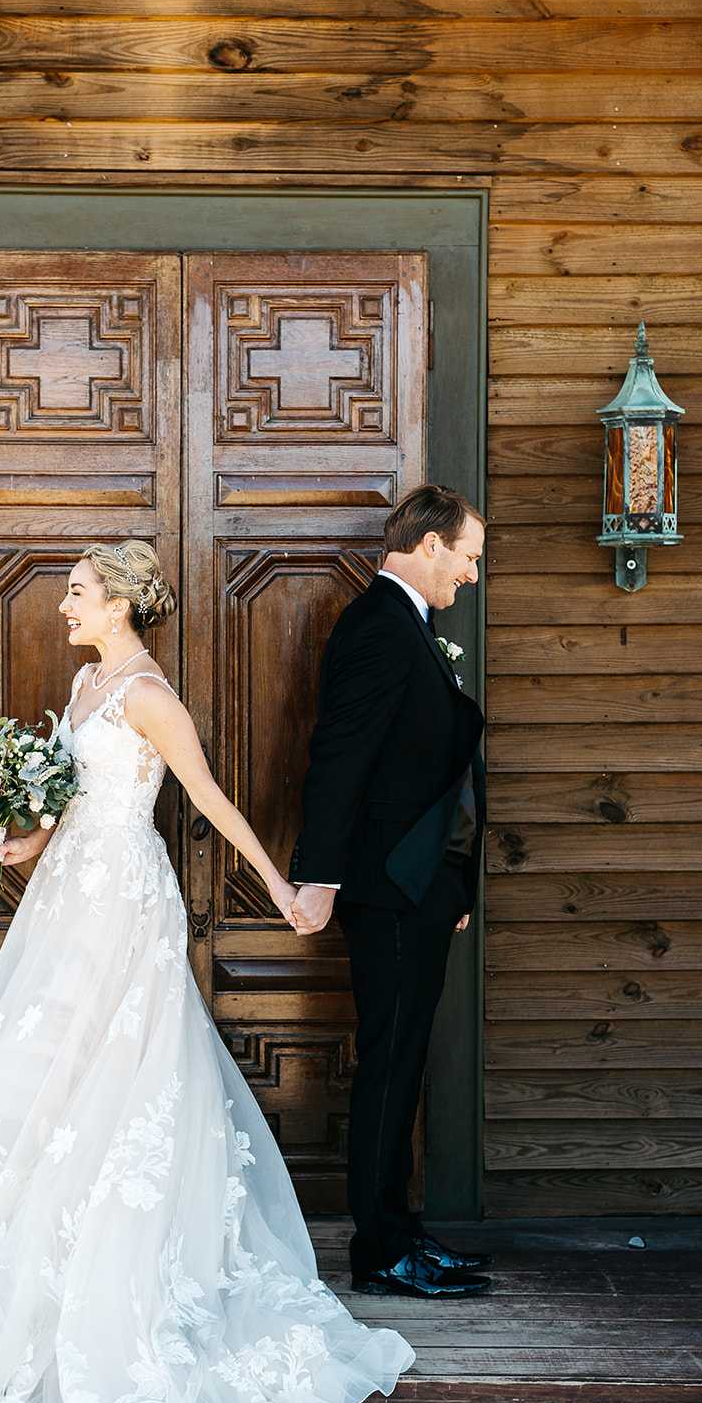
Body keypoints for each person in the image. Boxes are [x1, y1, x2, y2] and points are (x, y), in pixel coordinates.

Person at [0, 539, 414, 1403]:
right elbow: (65, 807)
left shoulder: (150, 696)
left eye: (77, 592)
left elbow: (207, 800)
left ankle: (117, 1253)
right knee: (52, 1055)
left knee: (127, 1061)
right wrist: (10, 837)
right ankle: (31, 1240)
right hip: (68, 893)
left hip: (124, 898)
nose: (63, 605)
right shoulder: (84, 686)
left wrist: (281, 886)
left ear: (117, 601)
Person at [290, 486, 492, 1300]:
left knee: (404, 1059)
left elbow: (432, 772)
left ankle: (400, 1232)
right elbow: (339, 756)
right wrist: (319, 877)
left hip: (420, 886)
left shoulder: (408, 624)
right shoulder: (377, 626)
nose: (471, 574)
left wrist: (454, 880)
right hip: (387, 886)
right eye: (468, 557)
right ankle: (378, 1250)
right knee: (389, 1061)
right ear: (431, 544)